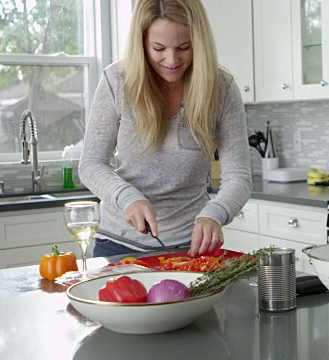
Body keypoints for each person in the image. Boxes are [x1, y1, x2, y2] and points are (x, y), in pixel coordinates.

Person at [79, 0, 252, 258]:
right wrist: (128, 198)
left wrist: (215, 213)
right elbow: (91, 164)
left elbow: (239, 177)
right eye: (158, 48)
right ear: (142, 43)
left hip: (191, 247)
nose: (171, 60)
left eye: (184, 47)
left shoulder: (221, 88)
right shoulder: (117, 81)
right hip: (119, 246)